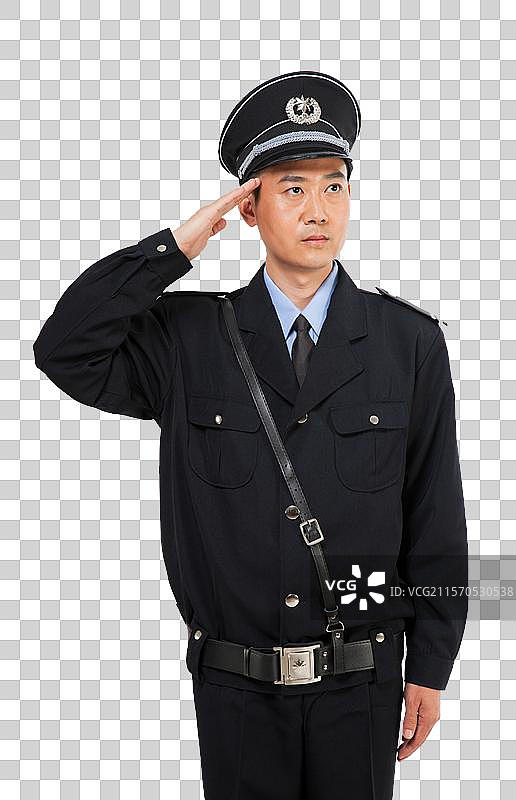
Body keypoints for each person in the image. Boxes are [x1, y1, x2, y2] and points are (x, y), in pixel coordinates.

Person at [33, 71, 468, 799]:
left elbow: (435, 515)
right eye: (291, 188)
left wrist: (431, 663)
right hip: (234, 688)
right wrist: (175, 248)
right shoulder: (188, 339)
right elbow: (65, 349)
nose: (318, 209)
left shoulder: (408, 342)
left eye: (334, 186)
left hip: (362, 683)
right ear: (248, 207)